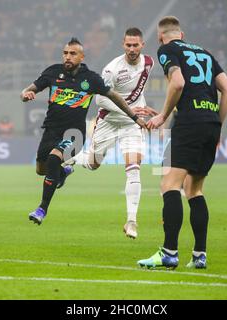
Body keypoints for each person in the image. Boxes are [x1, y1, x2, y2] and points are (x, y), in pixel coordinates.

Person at [137, 16, 227, 269]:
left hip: (189, 122)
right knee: (194, 190)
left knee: (169, 185)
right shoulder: (205, 53)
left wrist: (162, 115)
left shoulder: (167, 50)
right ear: (182, 34)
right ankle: (199, 255)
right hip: (211, 123)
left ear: (161, 37)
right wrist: (217, 124)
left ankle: (169, 252)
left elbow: (178, 83)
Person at [20, 38, 147, 226]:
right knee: (42, 170)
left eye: (72, 53)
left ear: (81, 57)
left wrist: (135, 118)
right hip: (50, 131)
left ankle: (42, 209)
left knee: (54, 158)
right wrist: (26, 94)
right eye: (65, 53)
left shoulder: (91, 79)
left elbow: (114, 97)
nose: (67, 57)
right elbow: (29, 89)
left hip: (74, 134)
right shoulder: (53, 72)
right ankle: (61, 174)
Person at [64, 28, 158, 239]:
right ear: (123, 45)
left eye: (136, 45)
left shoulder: (149, 63)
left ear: (142, 45)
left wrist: (140, 108)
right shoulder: (112, 69)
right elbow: (101, 100)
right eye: (128, 45)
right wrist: (129, 109)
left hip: (132, 125)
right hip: (108, 121)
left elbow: (138, 92)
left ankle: (132, 221)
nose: (132, 49)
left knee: (133, 168)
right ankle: (72, 159)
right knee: (93, 164)